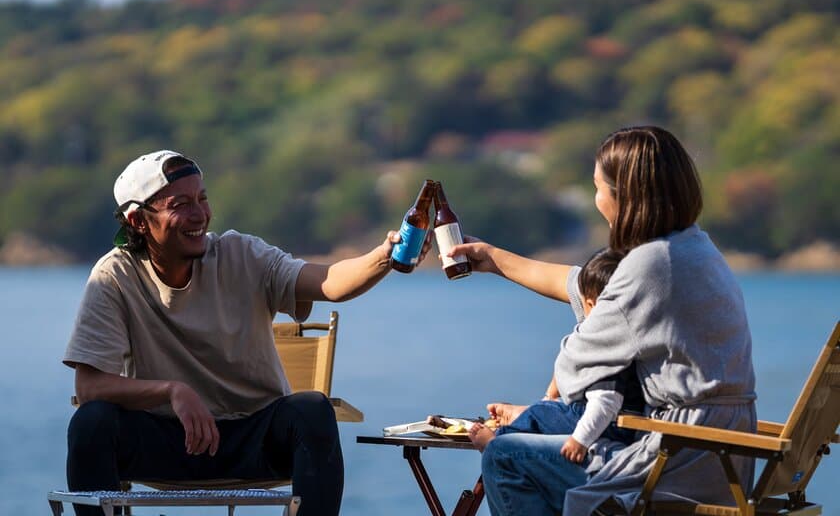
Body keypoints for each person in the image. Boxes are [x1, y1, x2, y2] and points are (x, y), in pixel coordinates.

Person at [63, 150, 429, 516]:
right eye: (180, 204)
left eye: (202, 199)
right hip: (169, 441)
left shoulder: (241, 254)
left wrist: (386, 256)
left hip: (254, 442)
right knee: (90, 423)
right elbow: (90, 388)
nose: (199, 215)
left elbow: (329, 282)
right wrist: (171, 391)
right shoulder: (114, 276)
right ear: (139, 221)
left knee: (313, 410)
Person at [449, 126, 756, 515]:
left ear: (625, 197)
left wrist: (539, 407)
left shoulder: (649, 265)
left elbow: (575, 371)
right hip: (722, 462)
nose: (597, 201)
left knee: (505, 455)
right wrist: (493, 258)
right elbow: (589, 288)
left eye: (598, 188)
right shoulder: (696, 250)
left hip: (673, 467)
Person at [468, 247, 644, 463]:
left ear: (592, 304)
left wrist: (581, 440)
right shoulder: (622, 334)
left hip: (609, 426)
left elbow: (605, 402)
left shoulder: (606, 347)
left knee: (539, 416)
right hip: (610, 421)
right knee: (547, 411)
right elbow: (569, 364)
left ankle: (496, 441)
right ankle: (524, 417)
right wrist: (548, 399)